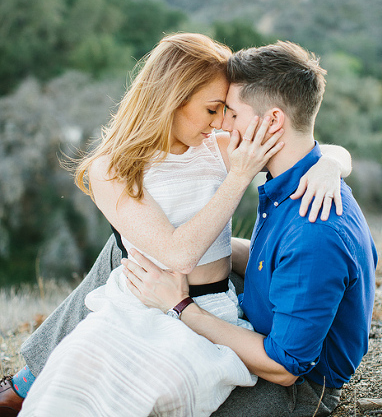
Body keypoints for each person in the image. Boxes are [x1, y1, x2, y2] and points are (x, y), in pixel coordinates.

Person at [0, 35, 356, 417]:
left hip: (205, 306)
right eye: (212, 109)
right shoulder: (112, 167)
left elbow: (302, 143)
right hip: (135, 303)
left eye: (226, 110)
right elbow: (178, 253)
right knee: (71, 377)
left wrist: (329, 165)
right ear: (174, 99)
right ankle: (29, 383)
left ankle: (28, 382)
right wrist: (240, 175)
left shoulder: (216, 148)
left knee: (154, 391)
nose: (222, 122)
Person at [125, 40, 377, 417]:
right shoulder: (293, 182)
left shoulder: (314, 229)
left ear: (273, 121)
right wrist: (332, 161)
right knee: (131, 250)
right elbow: (270, 259)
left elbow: (285, 366)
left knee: (138, 395)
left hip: (296, 390)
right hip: (259, 320)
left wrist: (180, 307)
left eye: (232, 113)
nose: (221, 125)